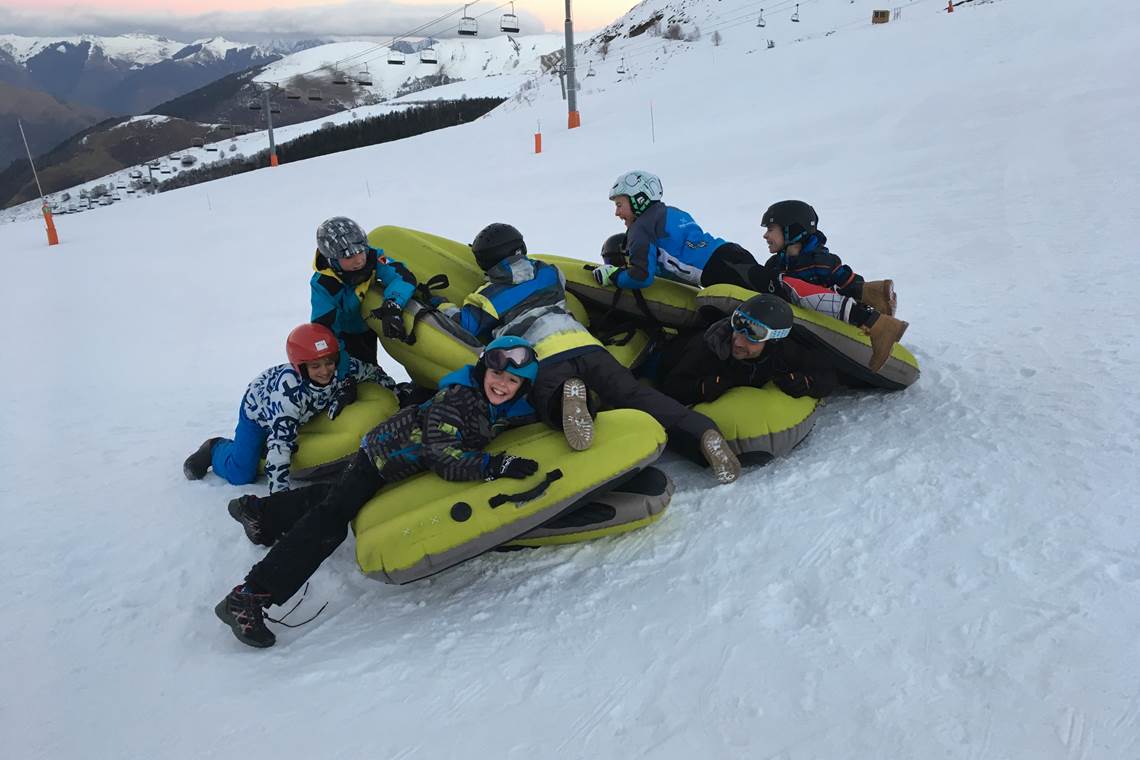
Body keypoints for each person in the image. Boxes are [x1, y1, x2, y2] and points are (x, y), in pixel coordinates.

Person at [215, 336, 542, 648]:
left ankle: (262, 513)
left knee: (341, 496)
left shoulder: (495, 403)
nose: (501, 384)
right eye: (497, 373)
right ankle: (250, 596)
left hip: (399, 461)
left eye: (512, 381)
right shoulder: (458, 399)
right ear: (483, 370)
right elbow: (443, 457)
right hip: (381, 458)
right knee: (331, 521)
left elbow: (525, 411)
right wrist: (492, 466)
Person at [450, 222, 741, 484]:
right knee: (637, 396)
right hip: (587, 345)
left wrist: (440, 305)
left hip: (543, 354)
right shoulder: (548, 272)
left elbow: (467, 326)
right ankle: (702, 432)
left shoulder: (487, 296)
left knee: (546, 400)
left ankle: (573, 397)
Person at [595, 173, 907, 372]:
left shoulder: (640, 230)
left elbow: (641, 276)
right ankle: (873, 293)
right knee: (781, 281)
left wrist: (611, 276)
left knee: (784, 289)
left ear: (637, 200)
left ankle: (876, 324)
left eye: (620, 204)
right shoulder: (669, 213)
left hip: (722, 270)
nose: (617, 213)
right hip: (729, 257)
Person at [182, 323, 399, 494]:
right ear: (300, 366)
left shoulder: (344, 370)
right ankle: (215, 448)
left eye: (329, 362)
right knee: (241, 473)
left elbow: (373, 373)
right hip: (259, 411)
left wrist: (398, 392)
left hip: (307, 410)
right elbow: (280, 448)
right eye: (315, 366)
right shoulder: (288, 396)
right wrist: (280, 499)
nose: (325, 371)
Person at [653, 294, 837, 406]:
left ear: (772, 341)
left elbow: (825, 372)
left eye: (753, 335)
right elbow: (669, 385)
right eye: (738, 325)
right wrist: (701, 388)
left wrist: (806, 383)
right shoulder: (712, 347)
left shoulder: (783, 351)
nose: (739, 341)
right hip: (661, 357)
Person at [311, 216, 416, 374]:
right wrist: (343, 374)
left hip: (370, 323)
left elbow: (403, 276)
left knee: (373, 362)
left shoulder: (373, 257)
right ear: (331, 259)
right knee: (364, 368)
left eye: (360, 252)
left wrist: (392, 305)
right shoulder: (324, 285)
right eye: (348, 257)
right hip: (346, 334)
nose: (359, 260)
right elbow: (325, 330)